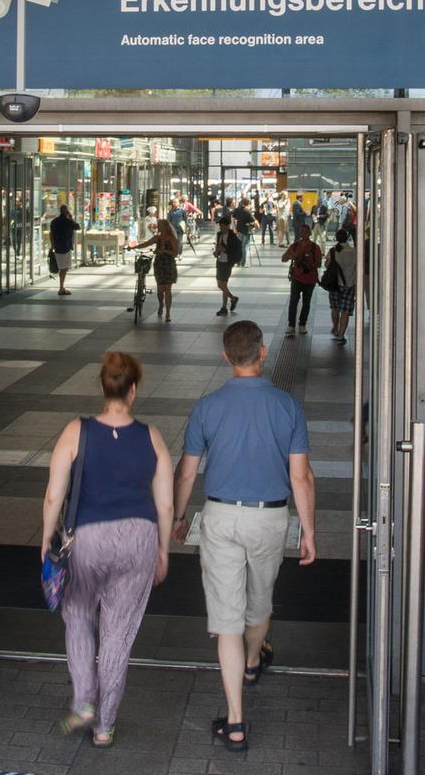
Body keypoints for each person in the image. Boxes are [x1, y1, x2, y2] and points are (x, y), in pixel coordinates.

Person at [169, 320, 317, 754]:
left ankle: (235, 722)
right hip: (270, 518)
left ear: (225, 356)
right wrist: (308, 531)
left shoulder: (207, 407)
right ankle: (254, 660)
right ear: (263, 353)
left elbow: (187, 470)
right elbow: (301, 476)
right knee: (260, 603)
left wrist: (180, 516)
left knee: (227, 620)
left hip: (219, 518)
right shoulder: (287, 406)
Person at [43, 352, 174, 750]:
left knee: (79, 616)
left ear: (103, 387)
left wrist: (46, 540)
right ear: (133, 391)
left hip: (87, 538)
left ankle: (83, 701)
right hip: (139, 539)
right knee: (118, 634)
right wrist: (163, 551)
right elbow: (166, 504)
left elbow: (54, 494)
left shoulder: (75, 431)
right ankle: (104, 726)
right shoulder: (152, 437)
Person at [129, 216, 181, 322]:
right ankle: (161, 305)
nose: (158, 227)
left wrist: (165, 251)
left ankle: (168, 313)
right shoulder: (158, 237)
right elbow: (147, 243)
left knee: (168, 289)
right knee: (160, 289)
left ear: (165, 227)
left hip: (169, 264)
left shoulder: (172, 238)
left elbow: (175, 253)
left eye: (160, 225)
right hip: (159, 264)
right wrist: (134, 247)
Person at [280, 225, 322, 336]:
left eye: (306, 232)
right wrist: (292, 257)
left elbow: (319, 263)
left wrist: (307, 264)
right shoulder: (294, 246)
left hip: (310, 279)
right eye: (302, 232)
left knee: (306, 303)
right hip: (296, 278)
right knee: (293, 302)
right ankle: (291, 326)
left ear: (310, 233)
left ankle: (302, 324)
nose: (304, 234)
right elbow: (283, 258)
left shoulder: (315, 247)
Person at [324, 229, 358, 343]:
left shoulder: (333, 251)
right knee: (345, 311)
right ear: (347, 238)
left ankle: (335, 327)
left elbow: (327, 264)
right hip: (349, 284)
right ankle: (341, 335)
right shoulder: (353, 251)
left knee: (335, 308)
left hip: (335, 284)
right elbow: (358, 268)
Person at [213, 215, 243, 317]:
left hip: (227, 263)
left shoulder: (232, 236)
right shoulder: (219, 234)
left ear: (227, 226)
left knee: (223, 285)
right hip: (220, 261)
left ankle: (224, 307)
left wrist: (223, 250)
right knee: (220, 284)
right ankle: (232, 299)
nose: (221, 228)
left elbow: (233, 250)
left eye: (222, 226)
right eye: (220, 226)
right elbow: (218, 247)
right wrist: (217, 252)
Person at [50, 204, 81, 296]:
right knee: (64, 268)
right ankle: (61, 288)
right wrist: (71, 218)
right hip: (66, 247)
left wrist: (52, 245)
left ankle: (61, 287)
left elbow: (50, 234)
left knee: (63, 268)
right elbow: (78, 227)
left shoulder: (54, 221)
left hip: (57, 247)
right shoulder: (68, 221)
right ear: (66, 211)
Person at [231, 198, 255, 266]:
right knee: (245, 246)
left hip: (239, 230)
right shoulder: (248, 211)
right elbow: (254, 221)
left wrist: (234, 228)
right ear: (248, 204)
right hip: (247, 230)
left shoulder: (236, 210)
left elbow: (232, 219)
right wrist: (256, 225)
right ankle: (243, 263)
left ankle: (238, 262)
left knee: (240, 246)